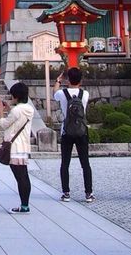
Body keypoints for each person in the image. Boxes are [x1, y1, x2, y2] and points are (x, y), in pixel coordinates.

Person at [53, 66, 94, 203]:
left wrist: (58, 81)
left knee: (65, 163)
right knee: (85, 163)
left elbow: (54, 94)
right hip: (82, 130)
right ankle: (88, 193)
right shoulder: (85, 94)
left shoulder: (62, 94)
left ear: (68, 79)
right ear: (80, 80)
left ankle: (66, 193)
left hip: (67, 130)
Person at [0, 81, 35, 213]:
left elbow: (4, 124)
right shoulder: (29, 109)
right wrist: (9, 108)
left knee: (20, 178)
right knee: (24, 175)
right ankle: (25, 204)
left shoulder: (17, 110)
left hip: (14, 147)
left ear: (16, 97)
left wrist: (1, 112)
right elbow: (18, 117)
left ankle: (24, 206)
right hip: (23, 146)